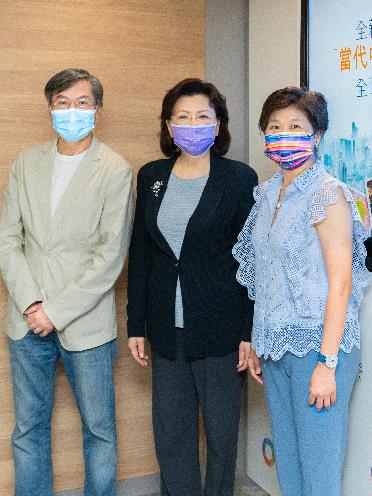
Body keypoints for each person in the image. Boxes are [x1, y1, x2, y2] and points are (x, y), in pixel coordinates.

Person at [0, 68, 133, 496]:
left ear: (97, 110)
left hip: (86, 324)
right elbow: (7, 239)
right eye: (62, 103)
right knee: (28, 429)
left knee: (99, 430)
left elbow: (110, 257)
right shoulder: (26, 162)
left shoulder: (115, 169)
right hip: (26, 320)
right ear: (50, 108)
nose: (72, 111)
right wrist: (31, 304)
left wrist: (55, 311)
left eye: (82, 103)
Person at [233, 87, 369, 496]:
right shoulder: (267, 193)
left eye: (296, 126)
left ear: (317, 135)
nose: (283, 135)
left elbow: (341, 283)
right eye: (274, 127)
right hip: (276, 349)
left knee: (319, 476)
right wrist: (257, 339)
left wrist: (327, 364)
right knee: (289, 473)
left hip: (318, 349)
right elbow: (265, 275)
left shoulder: (328, 194)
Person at [126, 78, 258, 496]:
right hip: (167, 330)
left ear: (218, 125)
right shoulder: (151, 176)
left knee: (221, 438)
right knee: (172, 437)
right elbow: (141, 252)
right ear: (169, 126)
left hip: (221, 331)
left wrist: (248, 331)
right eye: (182, 117)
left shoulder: (239, 178)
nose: (192, 124)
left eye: (203, 116)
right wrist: (135, 324)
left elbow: (252, 261)